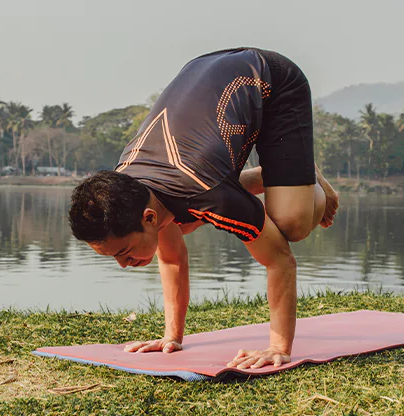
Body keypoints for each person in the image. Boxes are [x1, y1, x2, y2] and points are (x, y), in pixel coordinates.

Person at [68, 47, 339, 370]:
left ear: (149, 217)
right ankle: (283, 175)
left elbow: (279, 259)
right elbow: (170, 258)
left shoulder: (207, 196)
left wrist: (278, 346)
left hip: (272, 82)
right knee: (184, 218)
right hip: (205, 74)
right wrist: (172, 337)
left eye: (124, 252)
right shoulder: (129, 190)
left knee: (290, 225)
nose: (124, 265)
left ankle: (303, 174)